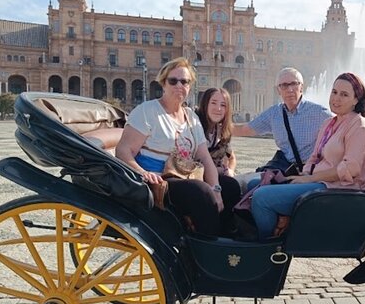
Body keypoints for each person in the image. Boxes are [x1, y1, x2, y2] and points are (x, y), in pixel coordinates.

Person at [250, 72, 365, 239]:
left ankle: (268, 246)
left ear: (356, 100)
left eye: (344, 95)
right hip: (318, 182)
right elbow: (315, 156)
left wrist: (310, 179)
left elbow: (350, 169)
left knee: (261, 198)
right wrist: (305, 174)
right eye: (334, 92)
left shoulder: (359, 127)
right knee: (254, 184)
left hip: (337, 190)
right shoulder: (330, 123)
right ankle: (279, 224)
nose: (336, 99)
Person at [115, 57, 224, 236]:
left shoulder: (191, 116)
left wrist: (217, 189)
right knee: (201, 192)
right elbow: (124, 150)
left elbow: (204, 157)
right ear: (163, 83)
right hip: (158, 181)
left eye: (185, 81)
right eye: (173, 81)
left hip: (184, 174)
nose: (179, 85)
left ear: (190, 86)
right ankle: (205, 251)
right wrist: (143, 173)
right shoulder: (147, 111)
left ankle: (228, 246)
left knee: (230, 186)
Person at [233, 67, 331, 174]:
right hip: (286, 169)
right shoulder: (274, 114)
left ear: (301, 87)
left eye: (294, 84)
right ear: (278, 90)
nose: (289, 89)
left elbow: (343, 129)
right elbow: (245, 129)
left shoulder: (320, 113)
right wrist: (217, 128)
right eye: (284, 85)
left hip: (310, 172)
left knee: (263, 191)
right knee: (252, 183)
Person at [195, 87, 242, 234]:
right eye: (214, 103)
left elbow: (232, 157)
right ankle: (218, 233)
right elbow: (191, 161)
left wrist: (230, 170)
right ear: (205, 104)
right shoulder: (195, 125)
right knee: (230, 187)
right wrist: (220, 171)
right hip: (195, 174)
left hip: (214, 175)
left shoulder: (221, 130)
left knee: (234, 185)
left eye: (223, 105)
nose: (218, 109)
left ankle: (226, 230)